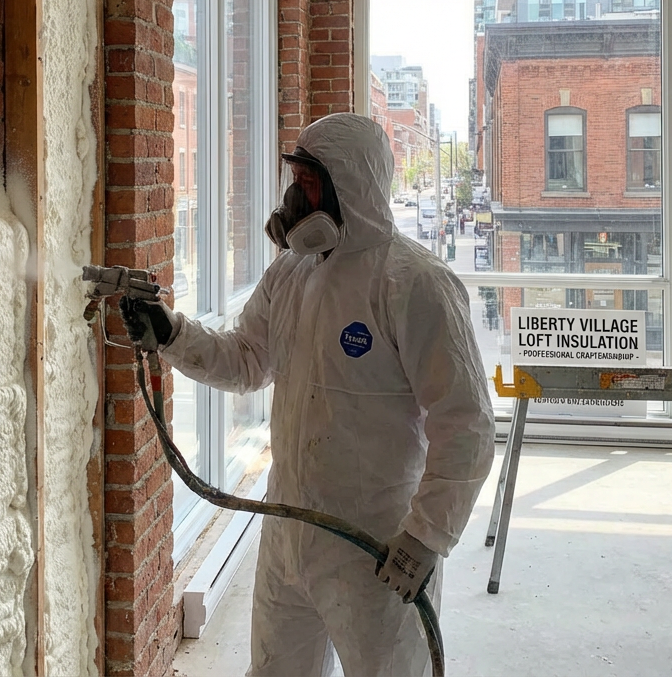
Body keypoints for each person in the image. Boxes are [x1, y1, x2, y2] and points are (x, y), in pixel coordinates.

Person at [125, 113, 495, 677]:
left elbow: (465, 424)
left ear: (352, 182)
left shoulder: (413, 284)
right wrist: (172, 334)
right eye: (294, 179)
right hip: (289, 528)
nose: (295, 195)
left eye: (310, 182)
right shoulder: (290, 274)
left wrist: (426, 537)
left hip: (375, 543)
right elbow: (247, 359)